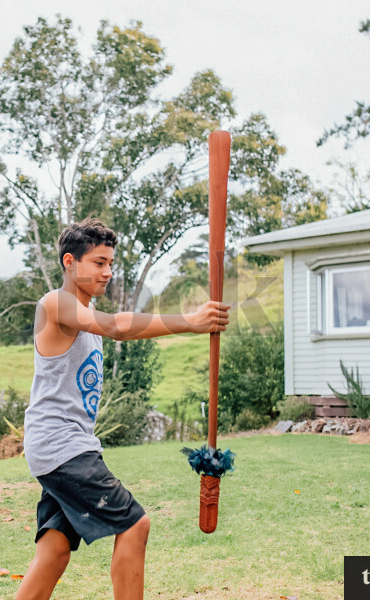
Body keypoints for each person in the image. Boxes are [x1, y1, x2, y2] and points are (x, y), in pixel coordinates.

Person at [16, 217, 230, 600]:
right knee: (135, 525)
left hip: (62, 445)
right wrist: (191, 322)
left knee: (55, 550)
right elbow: (117, 326)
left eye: (110, 263)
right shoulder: (57, 303)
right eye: (99, 262)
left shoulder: (84, 312)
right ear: (70, 262)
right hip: (61, 446)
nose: (109, 271)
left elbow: (112, 326)